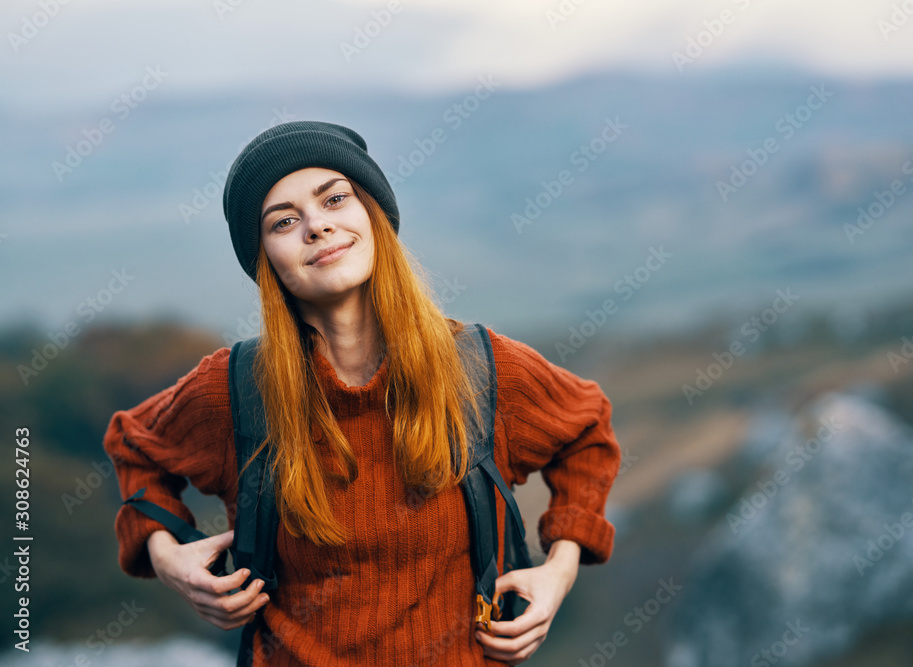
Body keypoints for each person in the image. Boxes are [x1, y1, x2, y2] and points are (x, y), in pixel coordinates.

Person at [103, 121, 621, 666]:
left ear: (372, 214)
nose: (317, 226)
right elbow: (135, 446)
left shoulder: (482, 371)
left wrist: (558, 571)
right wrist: (166, 557)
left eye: (334, 199)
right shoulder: (235, 389)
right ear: (265, 259)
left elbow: (588, 430)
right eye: (284, 221)